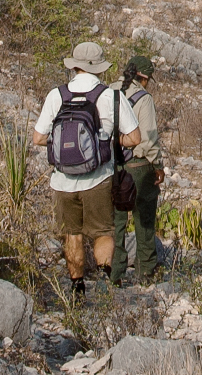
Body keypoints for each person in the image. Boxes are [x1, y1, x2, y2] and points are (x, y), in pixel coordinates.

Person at [32, 41, 140, 297]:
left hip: (62, 181)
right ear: (99, 69)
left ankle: (77, 287)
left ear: (76, 66)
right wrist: (109, 141)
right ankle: (103, 281)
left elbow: (37, 138)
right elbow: (134, 138)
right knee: (103, 232)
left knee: (73, 234)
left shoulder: (56, 95)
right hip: (98, 178)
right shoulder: (111, 96)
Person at [110, 54, 164, 285]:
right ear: (144, 78)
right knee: (144, 220)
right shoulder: (144, 98)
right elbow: (149, 139)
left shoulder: (108, 91)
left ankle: (114, 274)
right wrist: (158, 166)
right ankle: (146, 273)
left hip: (113, 165)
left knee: (116, 223)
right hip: (139, 166)